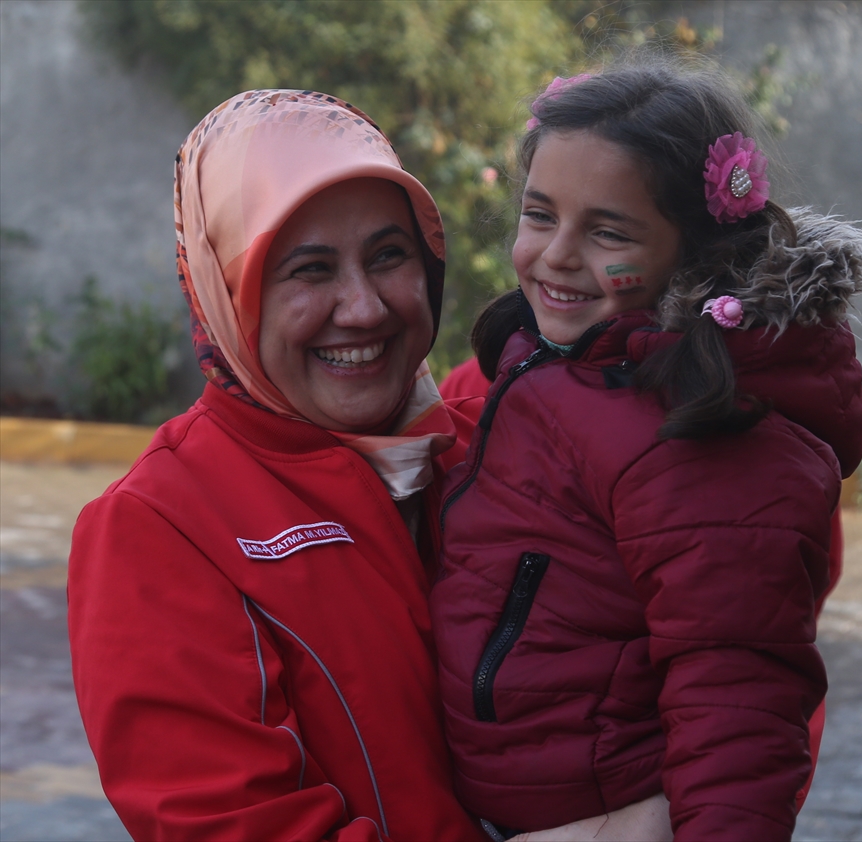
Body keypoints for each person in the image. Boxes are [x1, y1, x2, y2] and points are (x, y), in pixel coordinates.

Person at [68, 89, 666, 842]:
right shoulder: (163, 525)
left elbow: (729, 646)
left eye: (388, 256)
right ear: (228, 293)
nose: (363, 308)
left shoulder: (503, 446)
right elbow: (236, 825)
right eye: (308, 270)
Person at [430, 60, 862, 841]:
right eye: (539, 215)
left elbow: (738, 699)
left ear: (695, 248)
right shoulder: (547, 360)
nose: (556, 256)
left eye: (608, 231)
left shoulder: (706, 434)